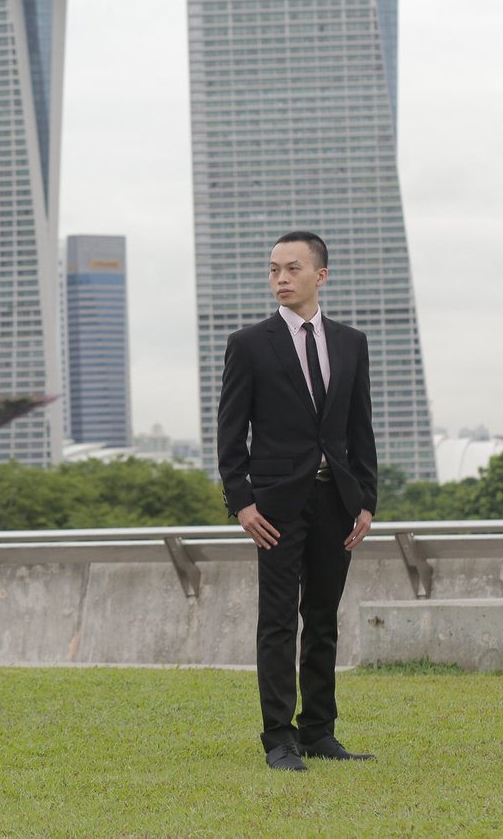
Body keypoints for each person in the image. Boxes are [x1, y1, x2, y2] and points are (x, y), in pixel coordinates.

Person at [218, 231, 379, 771]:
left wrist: (366, 501)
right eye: (273, 270)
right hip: (274, 507)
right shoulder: (249, 344)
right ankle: (279, 739)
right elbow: (230, 431)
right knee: (279, 622)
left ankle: (318, 732)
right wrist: (242, 503)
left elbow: (360, 428)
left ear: (320, 275)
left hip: (336, 502)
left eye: (291, 268)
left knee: (323, 618)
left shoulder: (351, 342)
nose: (280, 278)